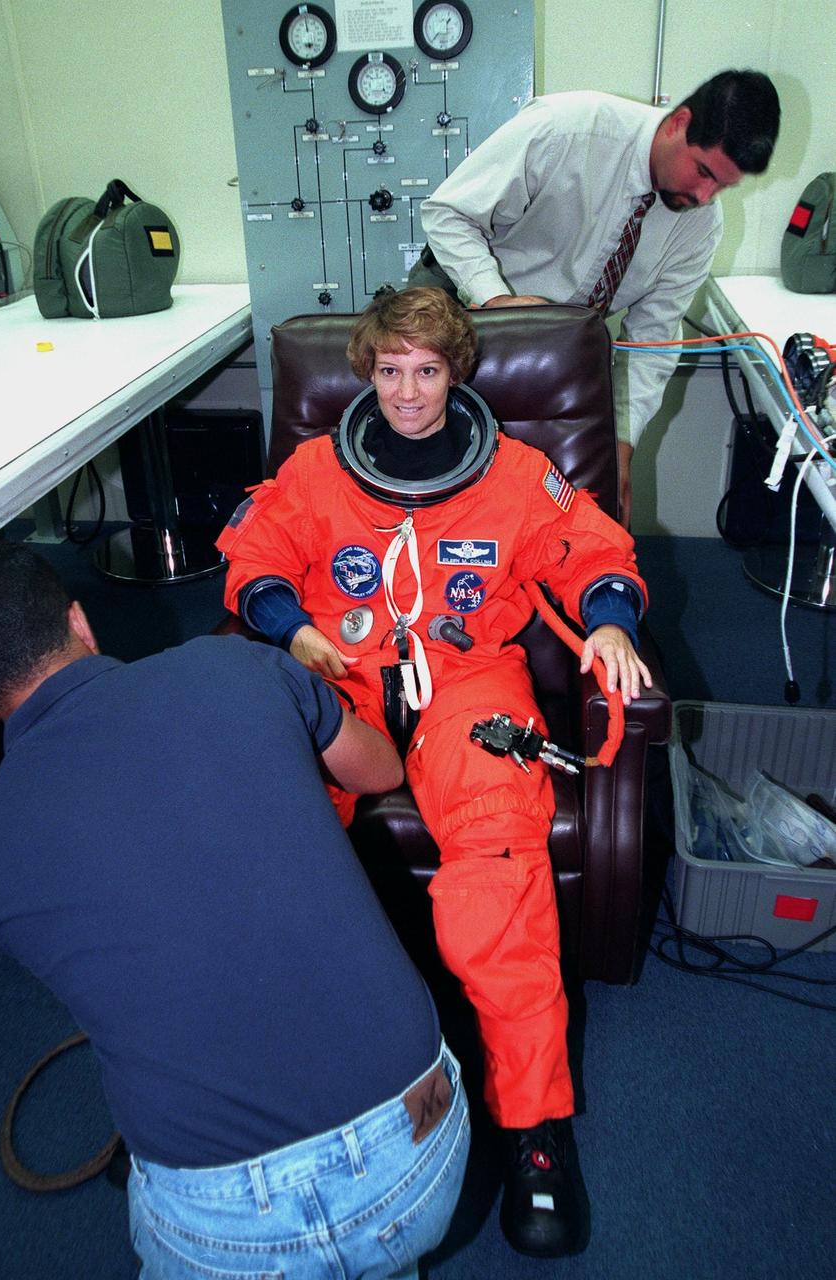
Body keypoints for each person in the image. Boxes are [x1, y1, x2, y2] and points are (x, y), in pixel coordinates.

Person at [216, 286, 652, 1257]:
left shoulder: (514, 473)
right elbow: (255, 557)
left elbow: (590, 550)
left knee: (499, 854)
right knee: (264, 839)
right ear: (365, 373)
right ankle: (223, 1081)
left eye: (426, 370)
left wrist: (612, 616)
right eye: (388, 370)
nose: (407, 392)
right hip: (346, 675)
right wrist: (295, 628)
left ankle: (535, 1131)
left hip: (470, 681)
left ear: (455, 374)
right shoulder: (318, 470)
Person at [0, 541, 470, 1280]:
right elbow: (379, 768)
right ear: (80, 621)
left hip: (228, 1225)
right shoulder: (239, 665)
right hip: (421, 1150)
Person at [407, 69, 781, 526]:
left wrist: (621, 445)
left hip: (558, 342)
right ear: (679, 122)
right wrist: (495, 302)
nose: (704, 195)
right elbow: (447, 214)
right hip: (460, 297)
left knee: (546, 494)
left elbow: (651, 343)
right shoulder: (569, 129)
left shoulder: (700, 227)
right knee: (434, 477)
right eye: (703, 171)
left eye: (723, 185)